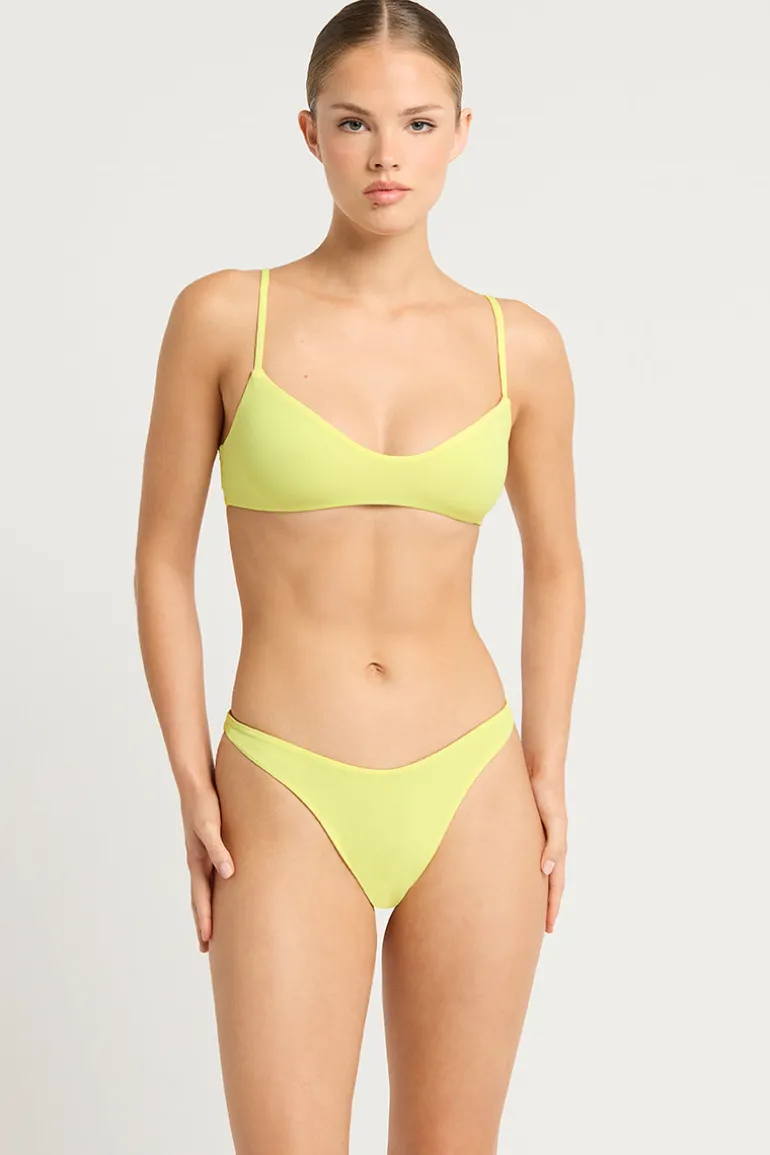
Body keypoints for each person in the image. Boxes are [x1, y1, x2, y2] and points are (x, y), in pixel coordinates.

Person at [134, 1, 585, 1150]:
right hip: (283, 784)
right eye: (353, 123)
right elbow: (160, 557)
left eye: (417, 123)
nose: (387, 156)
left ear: (460, 132)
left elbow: (555, 564)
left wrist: (544, 764)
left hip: (471, 784)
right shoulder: (224, 317)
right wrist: (191, 777)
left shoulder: (520, 346)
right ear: (308, 132)